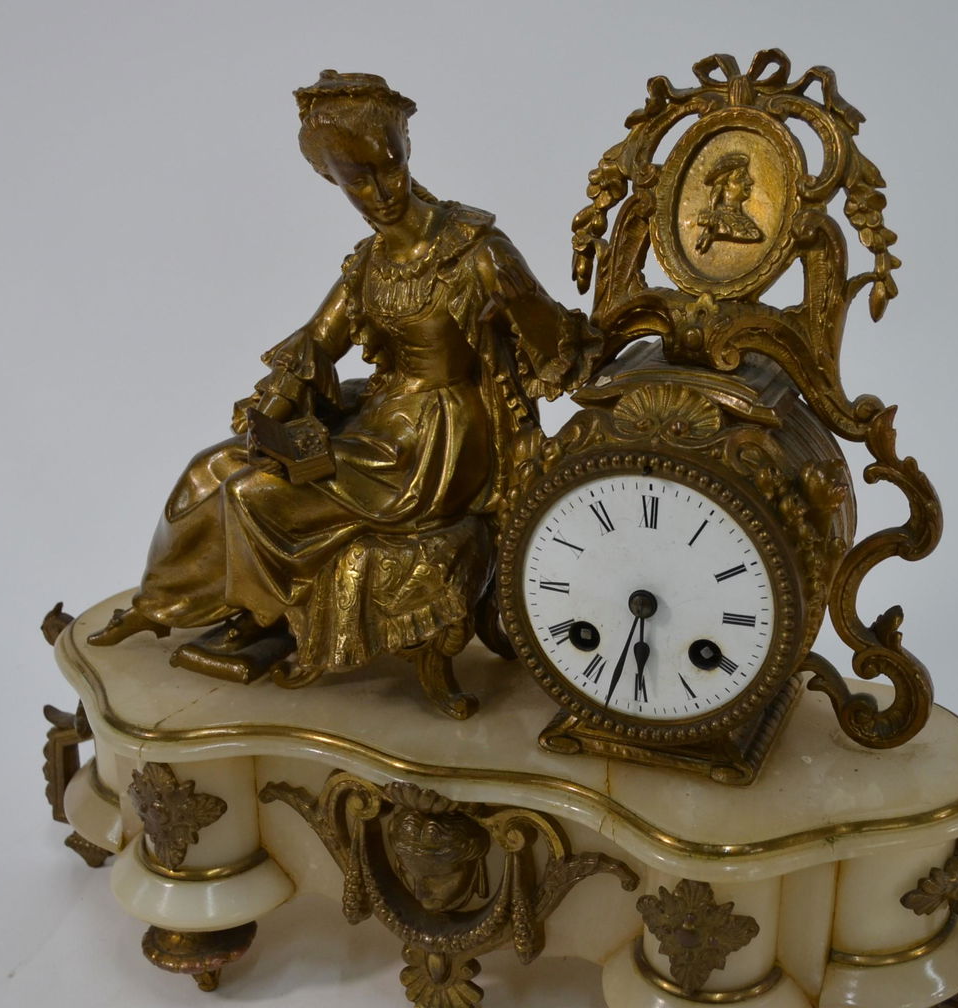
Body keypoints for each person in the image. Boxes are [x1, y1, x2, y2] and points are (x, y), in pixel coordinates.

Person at [88, 71, 596, 691]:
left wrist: (524, 309)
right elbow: (316, 342)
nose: (381, 191)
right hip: (381, 415)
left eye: (389, 168)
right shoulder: (370, 263)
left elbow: (558, 351)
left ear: (407, 154)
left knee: (252, 494)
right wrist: (271, 412)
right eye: (358, 180)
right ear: (333, 181)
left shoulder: (474, 248)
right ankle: (161, 607)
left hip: (437, 442)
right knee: (209, 470)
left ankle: (264, 612)